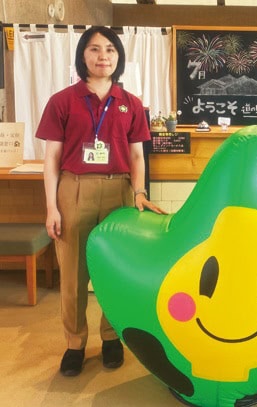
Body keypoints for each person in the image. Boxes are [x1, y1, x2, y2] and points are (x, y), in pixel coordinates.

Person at [36, 26, 166, 377]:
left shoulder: (131, 104)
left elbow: (138, 157)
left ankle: (111, 337)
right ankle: (75, 344)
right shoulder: (62, 101)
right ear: (82, 56)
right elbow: (51, 159)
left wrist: (139, 192)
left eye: (110, 49)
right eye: (94, 49)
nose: (103, 56)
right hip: (73, 189)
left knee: (114, 271)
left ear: (119, 57)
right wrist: (51, 207)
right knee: (74, 275)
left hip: (119, 191)